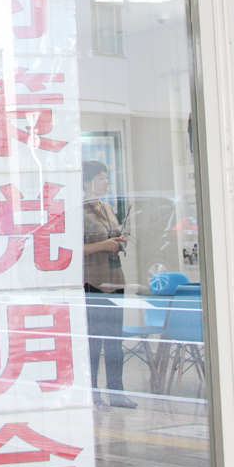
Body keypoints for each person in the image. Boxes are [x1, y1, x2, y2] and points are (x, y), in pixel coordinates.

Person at [81, 160, 136, 409]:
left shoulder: (108, 207)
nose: (106, 182)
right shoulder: (78, 211)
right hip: (92, 282)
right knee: (93, 341)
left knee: (115, 341)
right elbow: (73, 249)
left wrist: (119, 240)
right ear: (86, 183)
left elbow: (114, 237)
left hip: (114, 280)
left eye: (106, 177)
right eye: (100, 178)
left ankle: (117, 392)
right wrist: (103, 245)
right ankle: (92, 393)